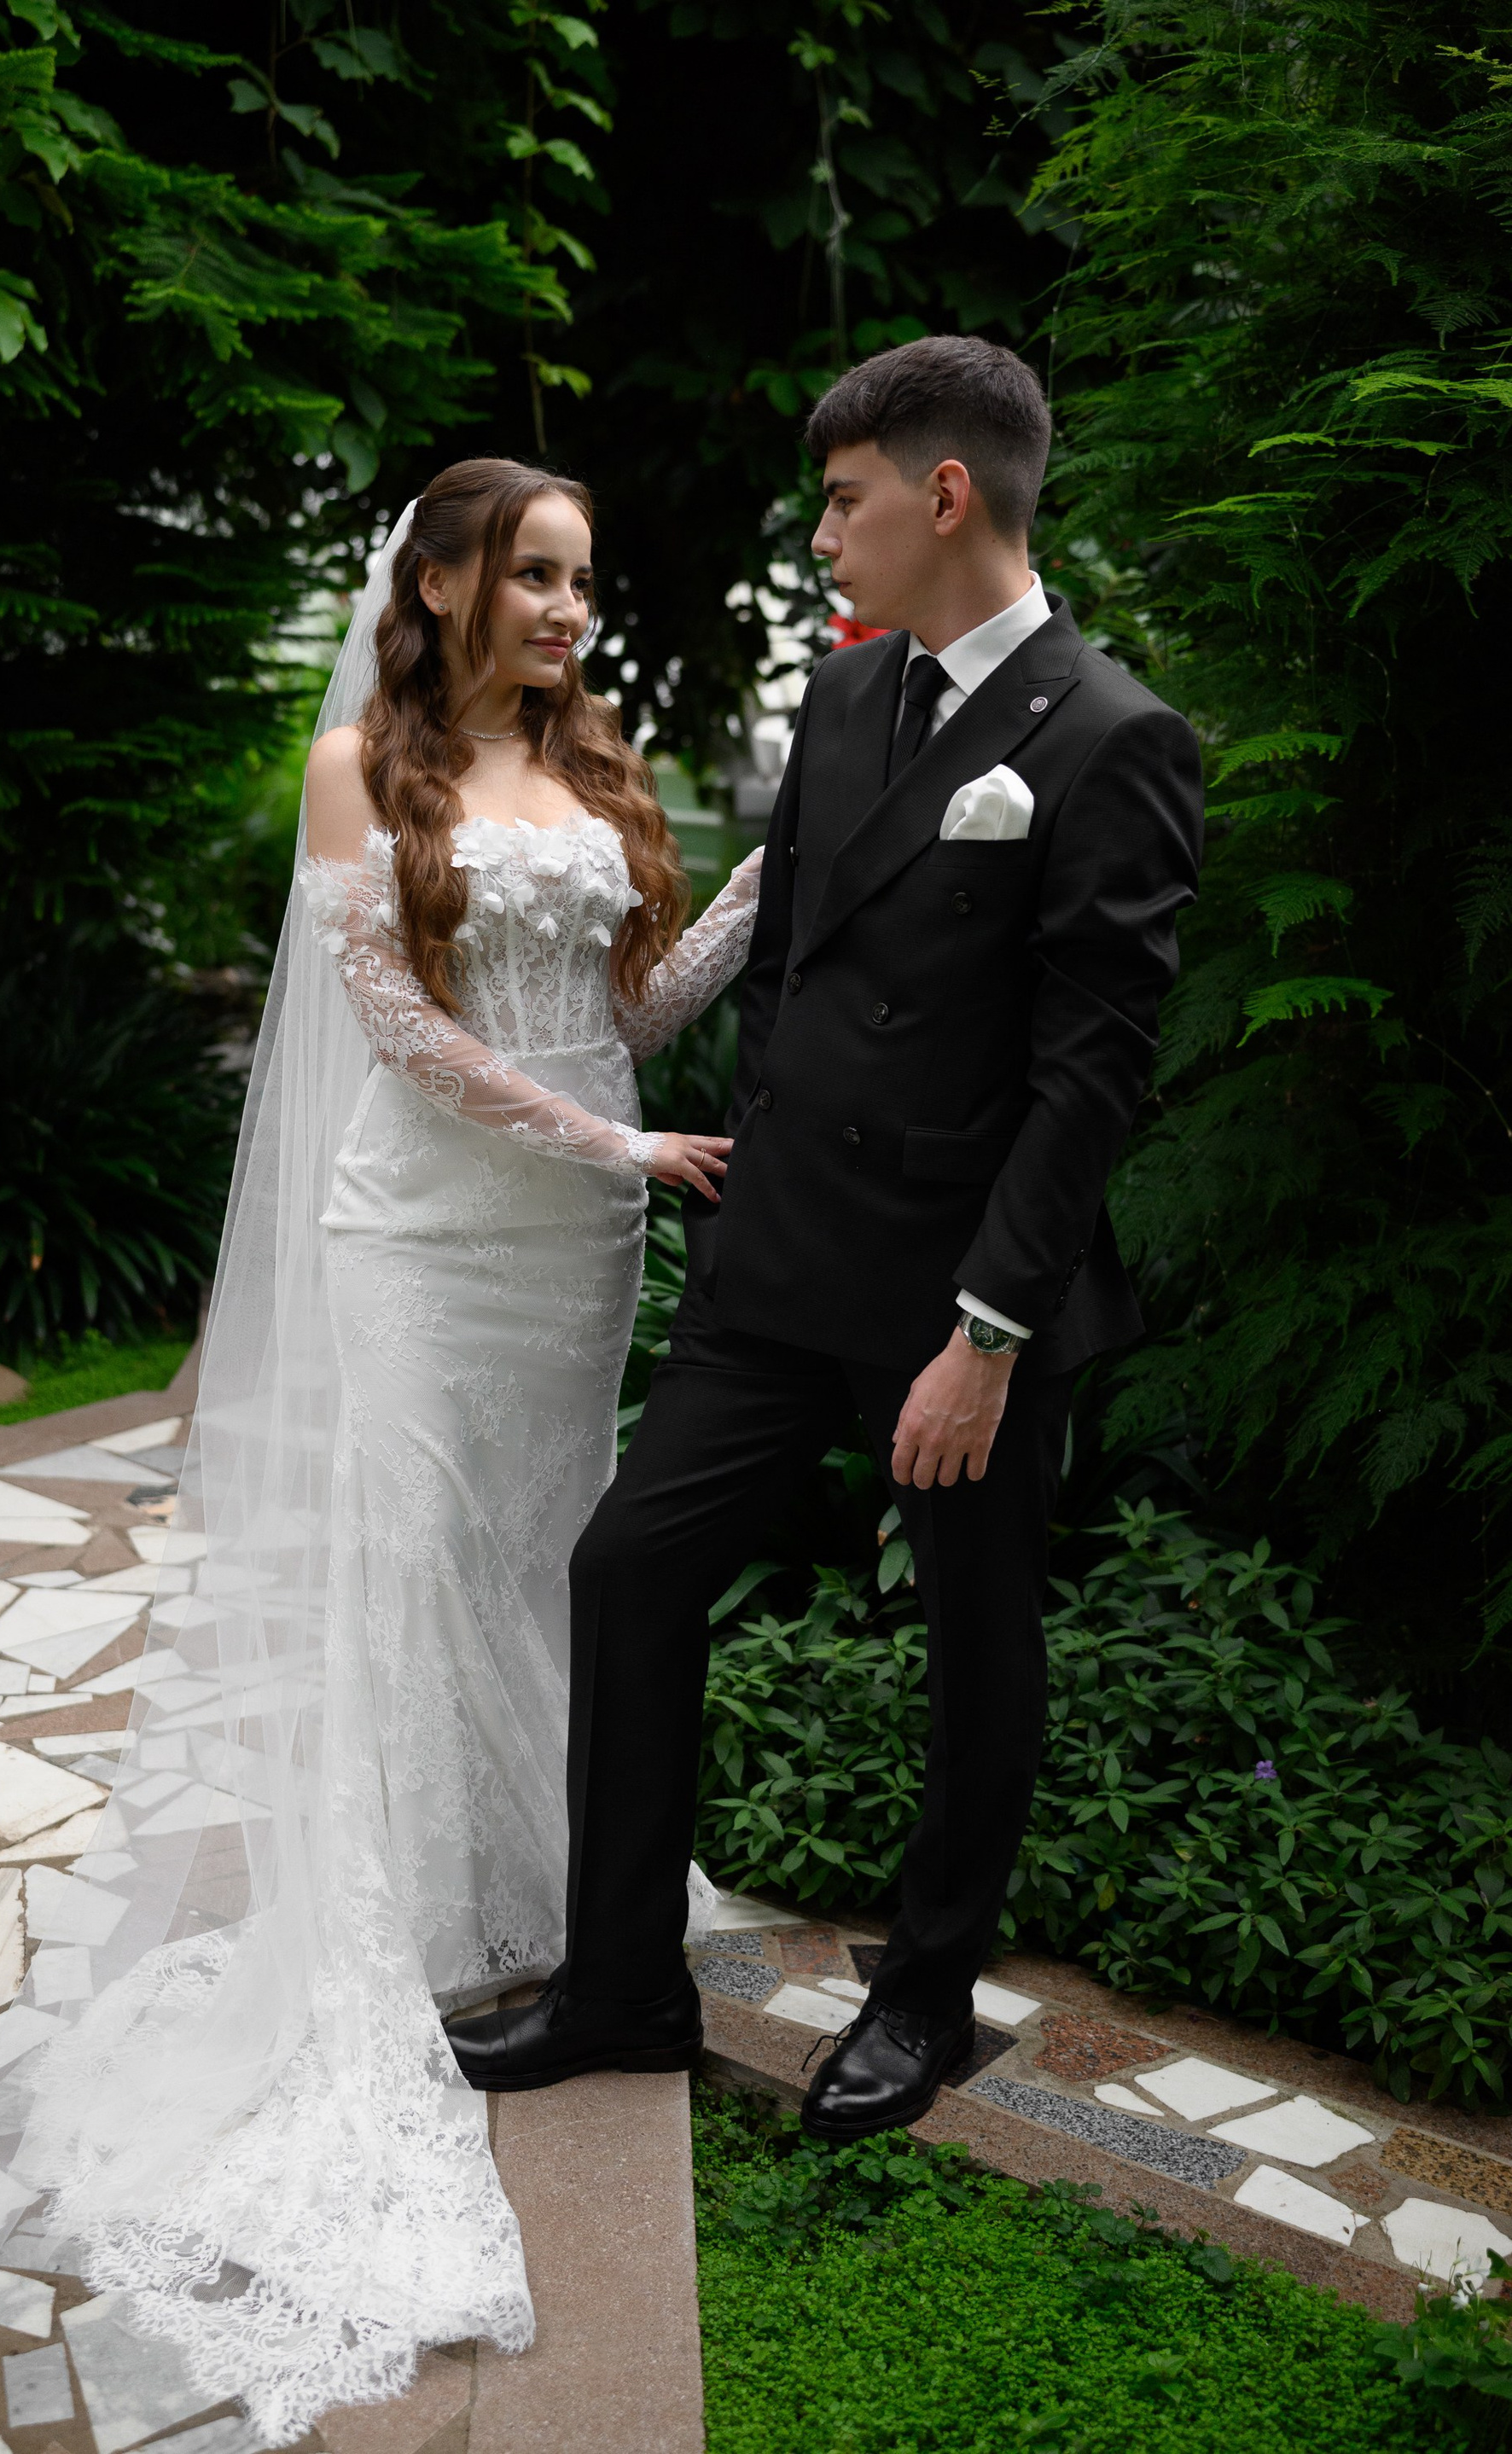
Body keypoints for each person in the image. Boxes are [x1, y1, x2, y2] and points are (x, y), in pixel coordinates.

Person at [0, 459, 759, 2445]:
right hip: (424, 1234)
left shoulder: (600, 762)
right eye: (536, 573)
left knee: (547, 1552)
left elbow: (634, 1006)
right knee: (416, 1553)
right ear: (448, 579)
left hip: (578, 1243)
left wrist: (768, 887)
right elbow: (400, 1028)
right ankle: (419, 1931)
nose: (567, 608)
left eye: (583, 578)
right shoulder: (355, 773)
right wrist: (613, 1135)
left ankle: (554, 1899)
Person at [446, 336, 1206, 2140]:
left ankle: (922, 1999)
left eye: (842, 500)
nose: (820, 536)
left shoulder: (1113, 735)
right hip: (782, 1263)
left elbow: (1091, 1076)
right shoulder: (852, 693)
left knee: (975, 1642)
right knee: (631, 1568)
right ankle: (622, 1985)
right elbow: (788, 968)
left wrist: (989, 1333)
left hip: (958, 1296)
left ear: (945, 495)